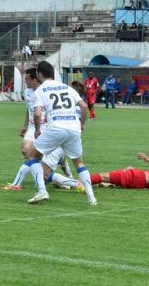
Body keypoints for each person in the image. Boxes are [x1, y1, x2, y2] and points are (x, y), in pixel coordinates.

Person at [24, 61, 97, 205]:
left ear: (39, 74)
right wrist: (82, 124)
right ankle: (91, 198)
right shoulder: (67, 88)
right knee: (79, 163)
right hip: (73, 128)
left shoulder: (41, 89)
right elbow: (84, 106)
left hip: (56, 127)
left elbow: (37, 114)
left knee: (32, 155)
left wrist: (38, 130)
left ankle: (41, 191)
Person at [4, 68, 73, 191]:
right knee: (26, 150)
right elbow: (29, 109)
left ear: (35, 79)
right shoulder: (27, 92)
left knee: (34, 156)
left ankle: (53, 173)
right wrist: (25, 126)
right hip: (32, 127)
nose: (25, 82)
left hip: (46, 127)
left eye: (27, 79)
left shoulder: (45, 91)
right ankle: (55, 164)